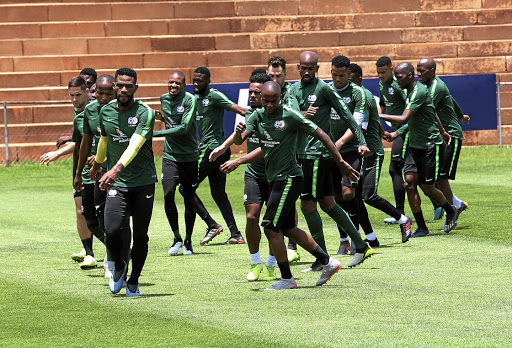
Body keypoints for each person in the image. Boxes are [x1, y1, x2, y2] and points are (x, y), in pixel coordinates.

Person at [224, 81, 349, 290]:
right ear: (261, 99)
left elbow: (322, 135)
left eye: (274, 100)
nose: (270, 105)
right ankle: (327, 262)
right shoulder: (257, 116)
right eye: (266, 100)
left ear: (280, 97)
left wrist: (340, 161)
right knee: (288, 228)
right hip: (277, 180)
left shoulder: (291, 115)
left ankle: (287, 278)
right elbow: (239, 141)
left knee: (270, 227)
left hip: (289, 178)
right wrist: (237, 133)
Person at [289, 51, 373, 271]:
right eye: (303, 68)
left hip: (316, 155)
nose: (307, 72)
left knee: (307, 205)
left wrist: (362, 140)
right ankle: (361, 246)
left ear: (317, 69)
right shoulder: (293, 89)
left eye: (311, 68)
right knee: (328, 203)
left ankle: (323, 259)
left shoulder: (323, 89)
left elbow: (347, 116)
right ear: (298, 68)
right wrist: (301, 115)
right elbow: (290, 113)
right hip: (303, 154)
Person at [90, 68, 157, 297]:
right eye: (120, 85)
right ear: (114, 87)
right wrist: (98, 164)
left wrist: (115, 169)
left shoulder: (146, 113)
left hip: (143, 182)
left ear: (136, 88)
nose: (124, 89)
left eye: (129, 86)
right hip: (117, 183)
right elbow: (105, 140)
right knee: (111, 228)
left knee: (140, 235)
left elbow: (135, 145)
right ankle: (119, 265)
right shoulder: (105, 111)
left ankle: (134, 282)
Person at [210, 72, 279, 281]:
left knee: (273, 223)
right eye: (250, 92)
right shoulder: (251, 114)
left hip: (276, 174)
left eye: (256, 92)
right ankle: (255, 262)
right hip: (255, 174)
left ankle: (272, 264)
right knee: (251, 216)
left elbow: (265, 149)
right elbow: (240, 140)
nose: (252, 96)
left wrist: (237, 161)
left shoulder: (277, 117)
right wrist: (224, 146)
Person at [379, 62, 458, 235]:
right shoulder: (408, 91)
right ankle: (422, 227)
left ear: (409, 75)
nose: (396, 80)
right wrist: (396, 135)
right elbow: (429, 113)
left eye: (398, 77)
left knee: (428, 187)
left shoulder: (419, 91)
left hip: (430, 145)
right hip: (415, 145)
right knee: (409, 183)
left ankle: (451, 210)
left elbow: (404, 118)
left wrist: (376, 114)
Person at [347, 63, 413, 243]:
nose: (348, 84)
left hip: (372, 152)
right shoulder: (350, 96)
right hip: (358, 152)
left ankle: (403, 219)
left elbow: (362, 124)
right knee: (356, 197)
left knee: (368, 195)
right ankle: (371, 238)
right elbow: (374, 120)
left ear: (359, 79)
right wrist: (382, 132)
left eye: (351, 80)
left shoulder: (365, 96)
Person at [40, 76, 100, 269]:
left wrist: (57, 153)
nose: (74, 99)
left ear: (88, 91)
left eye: (78, 95)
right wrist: (76, 172)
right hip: (81, 170)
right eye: (71, 95)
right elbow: (79, 140)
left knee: (100, 214)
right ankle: (89, 252)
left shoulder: (97, 109)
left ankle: (116, 251)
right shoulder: (78, 111)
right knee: (81, 211)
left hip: (98, 169)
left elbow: (83, 141)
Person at [192, 67, 247, 245]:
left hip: (213, 150)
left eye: (199, 80)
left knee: (185, 188)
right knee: (218, 193)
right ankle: (236, 234)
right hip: (215, 151)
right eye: (194, 80)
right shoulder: (194, 100)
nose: (195, 83)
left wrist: (260, 116)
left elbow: (240, 109)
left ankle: (211, 224)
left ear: (208, 81)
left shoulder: (214, 96)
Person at [416, 57, 469, 230]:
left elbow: (423, 107)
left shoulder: (436, 87)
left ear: (432, 70)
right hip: (439, 136)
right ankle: (455, 204)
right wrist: (461, 115)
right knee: (433, 177)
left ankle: (451, 212)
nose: (418, 73)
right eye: (417, 70)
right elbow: (451, 99)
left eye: (421, 70)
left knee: (440, 177)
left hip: (450, 135)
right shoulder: (431, 86)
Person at [152, 71, 199, 255]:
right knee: (168, 194)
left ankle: (188, 240)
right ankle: (176, 237)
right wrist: (162, 120)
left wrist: (155, 134)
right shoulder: (164, 99)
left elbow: (185, 128)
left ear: (184, 85)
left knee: (188, 199)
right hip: (170, 155)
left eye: (177, 83)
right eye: (170, 82)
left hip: (188, 157)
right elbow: (172, 123)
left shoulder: (189, 100)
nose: (173, 86)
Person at [73, 74, 116, 277]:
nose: (104, 97)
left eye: (109, 93)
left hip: (116, 172)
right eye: (100, 92)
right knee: (91, 219)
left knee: (111, 218)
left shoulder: (121, 110)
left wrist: (104, 160)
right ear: (93, 93)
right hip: (94, 172)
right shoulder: (89, 111)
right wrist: (78, 172)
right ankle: (118, 249)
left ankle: (114, 256)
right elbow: (85, 143)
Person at [266, 55, 301, 262]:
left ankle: (291, 245)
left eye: (278, 75)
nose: (275, 78)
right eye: (271, 74)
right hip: (270, 152)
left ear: (285, 75)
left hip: (290, 151)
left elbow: (295, 117)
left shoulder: (290, 92)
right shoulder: (263, 92)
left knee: (290, 200)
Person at [376, 57, 409, 225]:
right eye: (378, 72)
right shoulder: (382, 85)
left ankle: (400, 213)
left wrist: (398, 131)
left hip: (406, 131)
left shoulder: (398, 85)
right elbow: (382, 103)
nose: (380, 75)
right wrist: (378, 119)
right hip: (396, 130)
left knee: (395, 168)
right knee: (415, 175)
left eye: (383, 72)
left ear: (391, 68)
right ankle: (443, 204)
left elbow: (410, 108)